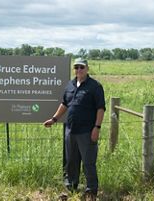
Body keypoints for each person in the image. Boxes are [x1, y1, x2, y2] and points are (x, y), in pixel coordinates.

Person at [43, 58, 106, 199]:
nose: (79, 70)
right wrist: (54, 119)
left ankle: (91, 191)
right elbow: (64, 104)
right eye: (76, 67)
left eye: (81, 67)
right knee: (71, 161)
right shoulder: (70, 85)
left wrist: (97, 127)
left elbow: (100, 109)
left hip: (87, 131)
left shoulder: (95, 87)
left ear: (87, 69)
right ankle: (71, 188)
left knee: (88, 162)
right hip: (70, 130)